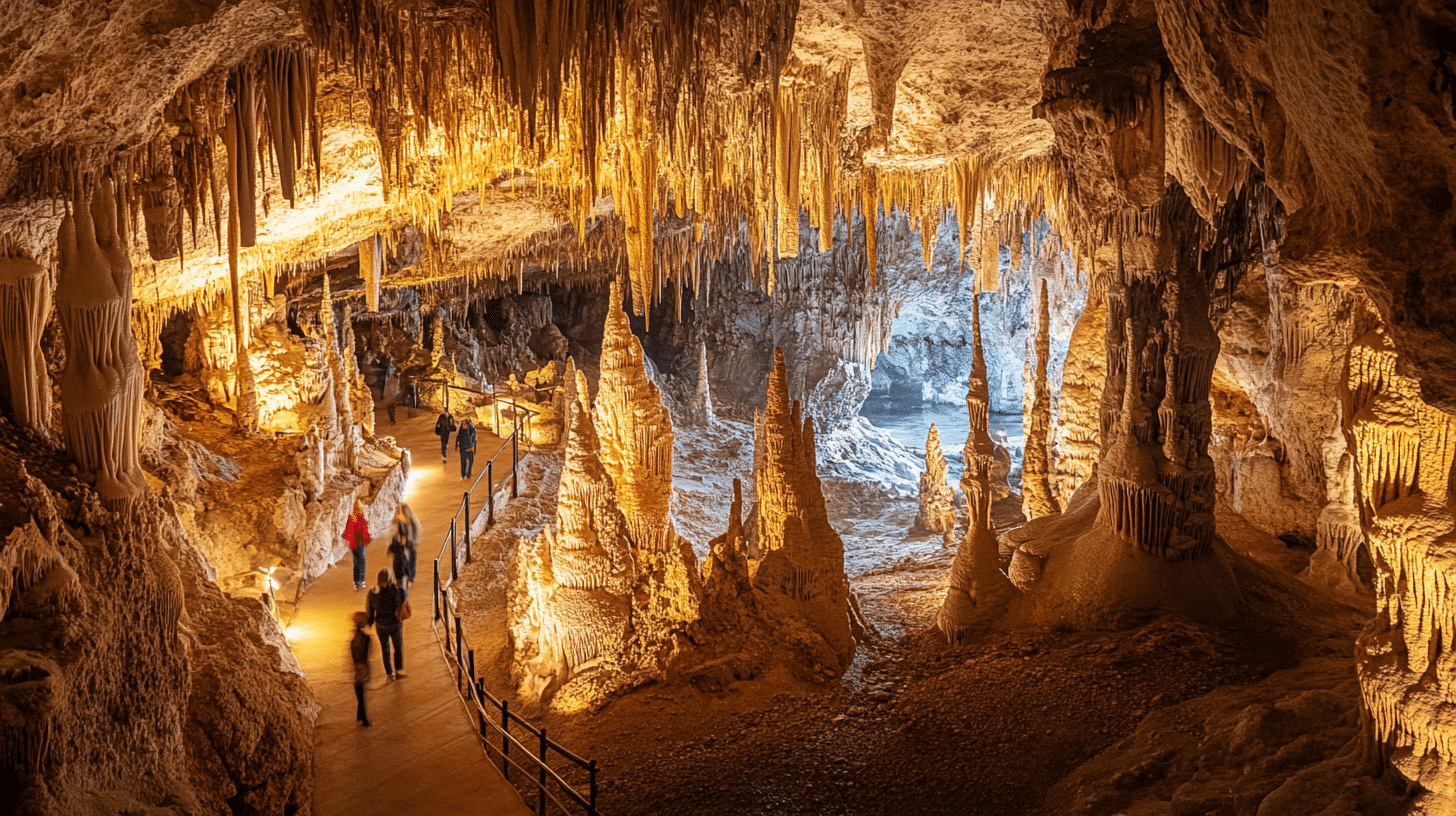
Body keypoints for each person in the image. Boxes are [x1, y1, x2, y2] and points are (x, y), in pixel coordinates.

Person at [365, 569, 407, 680]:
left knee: (385, 649)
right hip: (395, 625)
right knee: (397, 647)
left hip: (381, 625)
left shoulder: (373, 593)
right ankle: (399, 670)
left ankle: (389, 674)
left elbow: (370, 610)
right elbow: (403, 601)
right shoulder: (398, 591)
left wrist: (369, 622)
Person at [386, 504, 420, 592]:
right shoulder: (401, 526)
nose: (396, 514)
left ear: (404, 514)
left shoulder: (407, 529)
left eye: (398, 512)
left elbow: (409, 558)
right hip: (400, 564)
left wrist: (410, 576)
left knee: (402, 588)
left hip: (402, 567)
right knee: (401, 587)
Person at [350, 611, 372, 727]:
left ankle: (360, 715)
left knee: (360, 690)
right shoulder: (366, 639)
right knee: (362, 692)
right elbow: (366, 655)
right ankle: (364, 719)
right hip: (362, 666)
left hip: (357, 666)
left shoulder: (354, 639)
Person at [343, 499, 370, 590]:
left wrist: (349, 542)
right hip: (359, 543)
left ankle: (356, 583)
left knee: (356, 562)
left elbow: (348, 532)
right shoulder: (359, 518)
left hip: (353, 544)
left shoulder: (351, 517)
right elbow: (363, 530)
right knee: (362, 562)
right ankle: (361, 581)